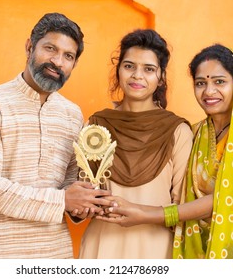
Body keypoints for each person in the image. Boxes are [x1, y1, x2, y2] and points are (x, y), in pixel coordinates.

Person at [98, 44, 233, 259]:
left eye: (219, 82)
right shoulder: (198, 131)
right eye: (201, 83)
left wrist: (150, 214)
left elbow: (227, 198)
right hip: (195, 248)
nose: (209, 91)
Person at [0, 12, 112, 259]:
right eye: (50, 48)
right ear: (30, 46)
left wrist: (84, 203)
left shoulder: (72, 114)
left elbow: (68, 186)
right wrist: (63, 200)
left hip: (53, 255)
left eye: (68, 56)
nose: (57, 61)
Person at [77, 29, 193, 259]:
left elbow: (184, 207)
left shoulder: (177, 131)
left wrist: (144, 214)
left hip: (156, 250)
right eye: (129, 66)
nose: (137, 75)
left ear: (160, 77)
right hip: (101, 247)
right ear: (118, 70)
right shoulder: (96, 125)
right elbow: (84, 191)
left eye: (148, 69)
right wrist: (86, 204)